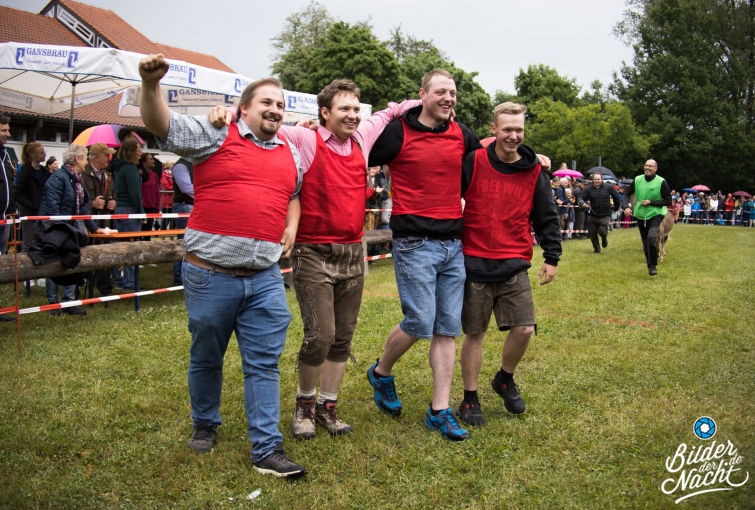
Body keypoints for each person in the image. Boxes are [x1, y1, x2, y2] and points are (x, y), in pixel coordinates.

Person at [206, 81, 415, 439]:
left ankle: (327, 406)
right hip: (312, 251)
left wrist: (424, 102)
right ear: (325, 113)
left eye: (356, 109)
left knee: (342, 337)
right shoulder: (305, 138)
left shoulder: (362, 139)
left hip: (352, 252)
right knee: (320, 335)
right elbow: (262, 122)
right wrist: (227, 114)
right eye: (344, 109)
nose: (352, 115)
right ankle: (304, 404)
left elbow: (390, 111)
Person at [139, 53, 306, 477]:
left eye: (280, 104)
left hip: (265, 277)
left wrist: (292, 224)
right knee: (207, 356)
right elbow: (161, 125)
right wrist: (151, 85)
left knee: (264, 363)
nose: (275, 109)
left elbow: (293, 193)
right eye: (266, 102)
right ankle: (205, 423)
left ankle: (267, 449)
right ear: (243, 108)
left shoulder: (290, 151)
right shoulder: (215, 133)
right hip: (210, 275)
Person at [364, 69, 483, 442]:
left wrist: (528, 155)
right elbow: (359, 150)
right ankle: (381, 373)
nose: (448, 98)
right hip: (414, 243)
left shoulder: (461, 133)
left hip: (453, 244)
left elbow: (488, 158)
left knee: (447, 328)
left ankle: (439, 411)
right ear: (423, 94)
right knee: (419, 321)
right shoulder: (398, 132)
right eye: (441, 92)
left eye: (453, 93)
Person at [456, 102, 560, 426]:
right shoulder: (473, 161)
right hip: (474, 262)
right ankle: (469, 398)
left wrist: (552, 256)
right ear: (494, 130)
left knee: (525, 328)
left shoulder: (534, 171)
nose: (513, 136)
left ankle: (504, 378)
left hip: (514, 262)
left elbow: (546, 215)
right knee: (475, 334)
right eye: (507, 129)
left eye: (519, 130)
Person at [37, 144, 110, 316]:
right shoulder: (58, 178)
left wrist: (94, 228)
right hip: (55, 228)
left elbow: (83, 206)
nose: (86, 162)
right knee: (54, 264)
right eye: (85, 158)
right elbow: (52, 207)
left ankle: (69, 302)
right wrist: (64, 229)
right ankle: (53, 303)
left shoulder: (77, 179)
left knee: (72, 261)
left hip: (71, 228)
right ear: (77, 159)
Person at [622, 159, 672, 275]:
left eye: (650, 166)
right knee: (645, 241)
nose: (647, 168)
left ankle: (653, 265)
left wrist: (651, 202)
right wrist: (626, 207)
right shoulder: (638, 179)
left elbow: (668, 201)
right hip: (641, 213)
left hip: (656, 213)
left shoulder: (661, 181)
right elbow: (627, 194)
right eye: (646, 165)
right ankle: (649, 264)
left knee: (651, 236)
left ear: (655, 169)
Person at [82, 142, 117, 296]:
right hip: (86, 223)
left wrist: (113, 203)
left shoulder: (108, 176)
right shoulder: (82, 174)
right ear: (97, 157)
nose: (109, 158)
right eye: (107, 155)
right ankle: (82, 285)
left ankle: (104, 288)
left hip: (103, 223)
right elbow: (77, 201)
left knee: (105, 253)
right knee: (85, 254)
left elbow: (114, 195)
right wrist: (92, 204)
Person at [111, 139, 144, 291]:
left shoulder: (119, 167)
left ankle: (119, 280)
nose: (141, 152)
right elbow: (134, 193)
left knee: (119, 247)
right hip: (130, 210)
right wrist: (141, 213)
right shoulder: (130, 168)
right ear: (132, 151)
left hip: (120, 209)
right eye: (138, 149)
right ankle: (129, 283)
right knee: (131, 248)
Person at [14, 142, 49, 253]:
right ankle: (23, 262)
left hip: (42, 212)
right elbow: (17, 194)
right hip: (30, 213)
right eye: (41, 153)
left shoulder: (44, 171)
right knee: (28, 242)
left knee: (41, 240)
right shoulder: (26, 172)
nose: (45, 154)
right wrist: (32, 205)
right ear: (33, 155)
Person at [578, 173, 621, 253]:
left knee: (602, 232)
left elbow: (616, 197)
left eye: (598, 179)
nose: (597, 181)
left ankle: (604, 238)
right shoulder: (588, 189)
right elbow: (581, 197)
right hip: (592, 214)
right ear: (593, 180)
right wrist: (582, 203)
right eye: (595, 179)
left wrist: (616, 208)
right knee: (592, 233)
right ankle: (597, 249)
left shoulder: (608, 187)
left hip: (605, 214)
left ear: (601, 179)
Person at [0, 115, 16, 323]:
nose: (8, 134)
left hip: (4, 220)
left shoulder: (5, 156)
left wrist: (13, 210)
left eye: (8, 129)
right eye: (3, 130)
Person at [170, 156, 194, 285]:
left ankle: (186, 274)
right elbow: (187, 189)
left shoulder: (194, 164)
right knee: (183, 241)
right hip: (184, 206)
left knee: (190, 241)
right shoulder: (181, 166)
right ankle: (178, 276)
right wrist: (206, 192)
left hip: (192, 205)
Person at [139, 152, 160, 232]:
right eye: (150, 159)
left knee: (148, 233)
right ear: (144, 162)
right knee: (140, 232)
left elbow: (157, 192)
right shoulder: (139, 174)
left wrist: (157, 209)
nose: (153, 161)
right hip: (142, 207)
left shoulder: (154, 176)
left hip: (151, 208)